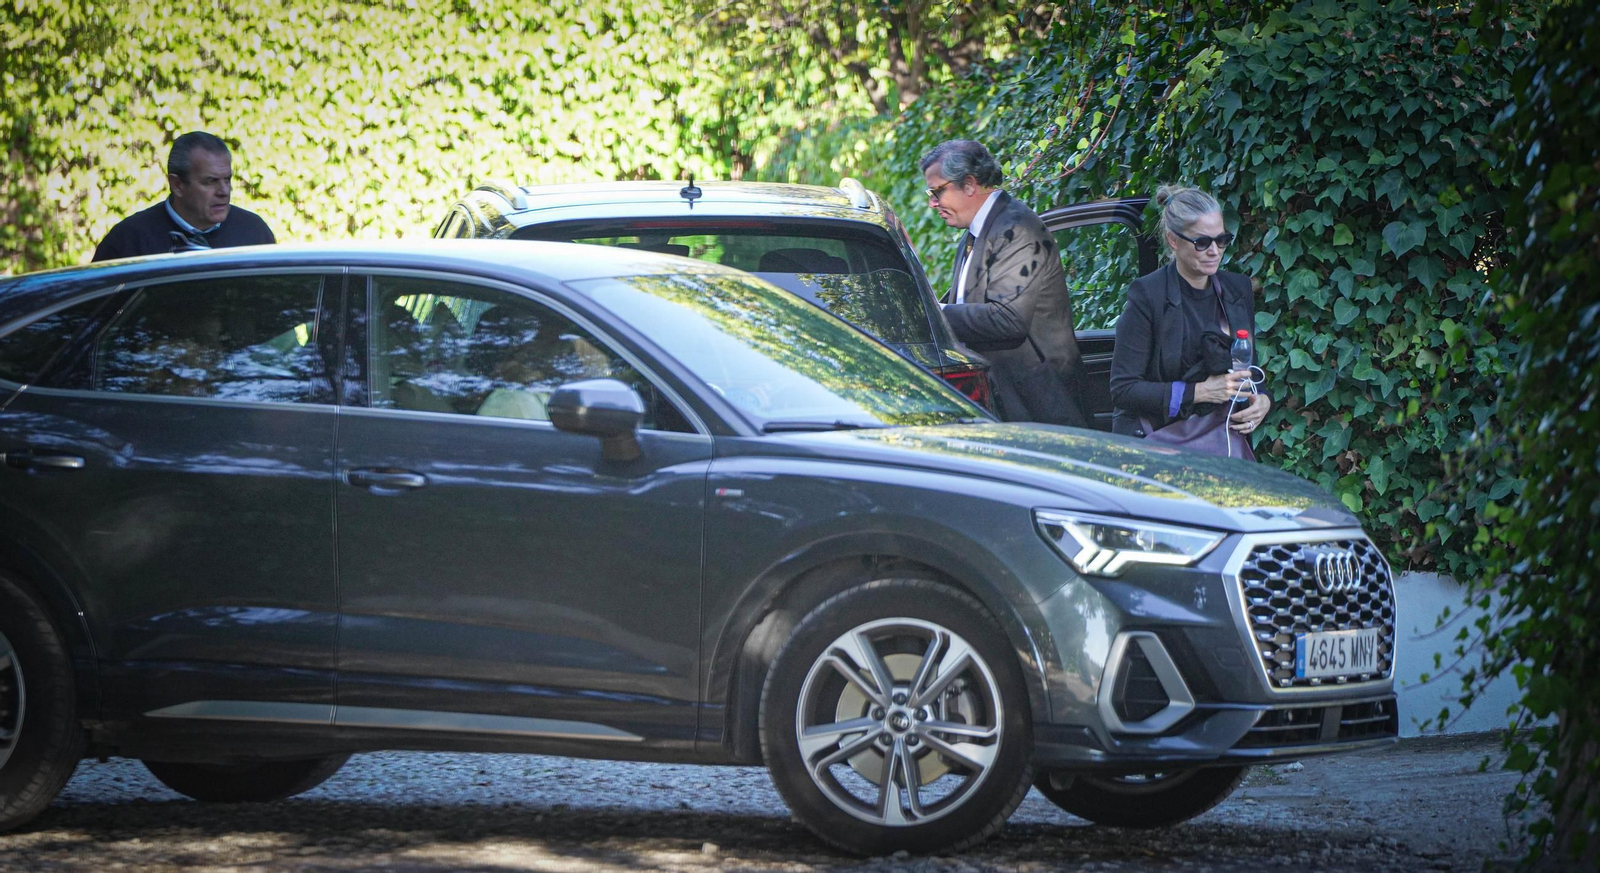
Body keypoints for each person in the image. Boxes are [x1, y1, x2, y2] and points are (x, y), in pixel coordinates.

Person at [919, 139, 1087, 427]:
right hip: (1007, 404)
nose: (933, 203)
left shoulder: (1015, 229)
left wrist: (934, 312)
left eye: (937, 191)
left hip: (1040, 409)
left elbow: (1007, 319)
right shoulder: (977, 230)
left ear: (969, 184)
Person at [1108, 184, 1272, 450]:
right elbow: (1124, 389)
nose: (1215, 251)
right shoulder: (1149, 295)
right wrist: (1200, 392)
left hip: (1223, 441)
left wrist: (1263, 399)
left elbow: (1246, 367)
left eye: (1221, 240)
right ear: (1173, 240)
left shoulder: (1237, 289)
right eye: (1202, 242)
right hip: (1160, 441)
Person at [92, 131, 275, 261]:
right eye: (210, 181)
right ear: (177, 185)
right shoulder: (129, 241)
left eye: (227, 179)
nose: (224, 191)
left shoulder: (254, 232)